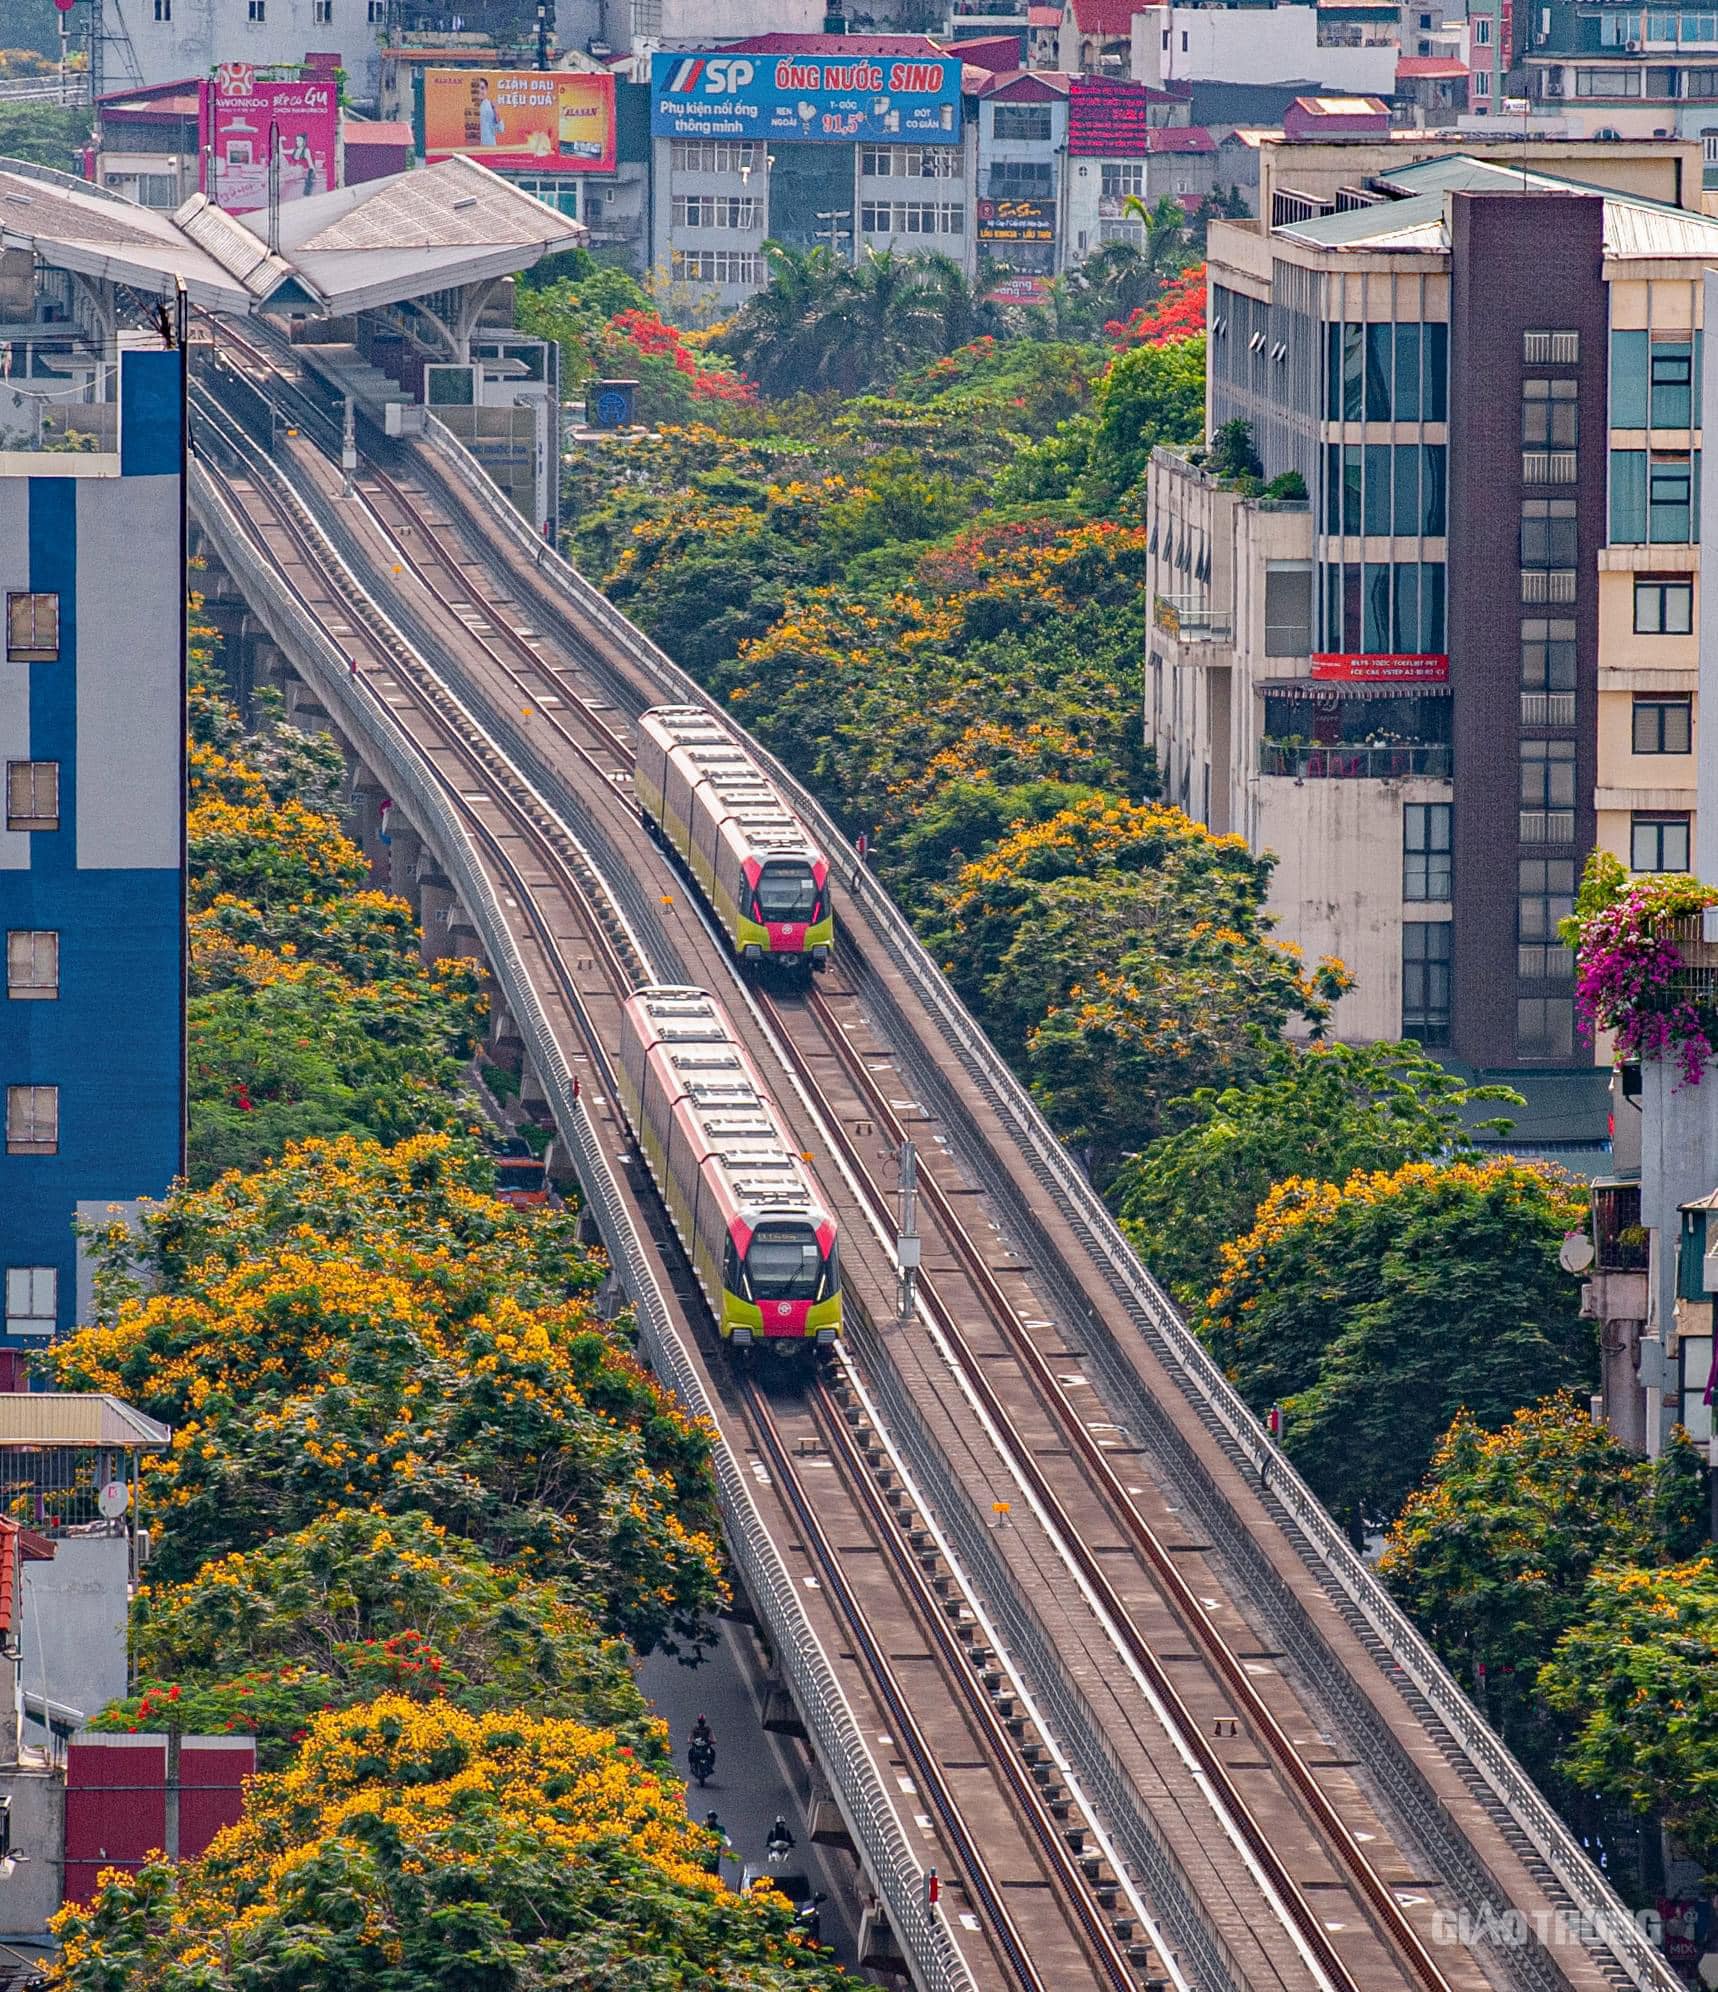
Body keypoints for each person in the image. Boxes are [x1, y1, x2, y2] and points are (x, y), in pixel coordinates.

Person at [476, 76, 504, 148]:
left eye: (482, 88)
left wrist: (496, 111)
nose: (479, 91)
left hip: (488, 147)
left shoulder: (491, 105)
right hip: (473, 149)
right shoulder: (469, 107)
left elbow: (500, 129)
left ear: (486, 90)